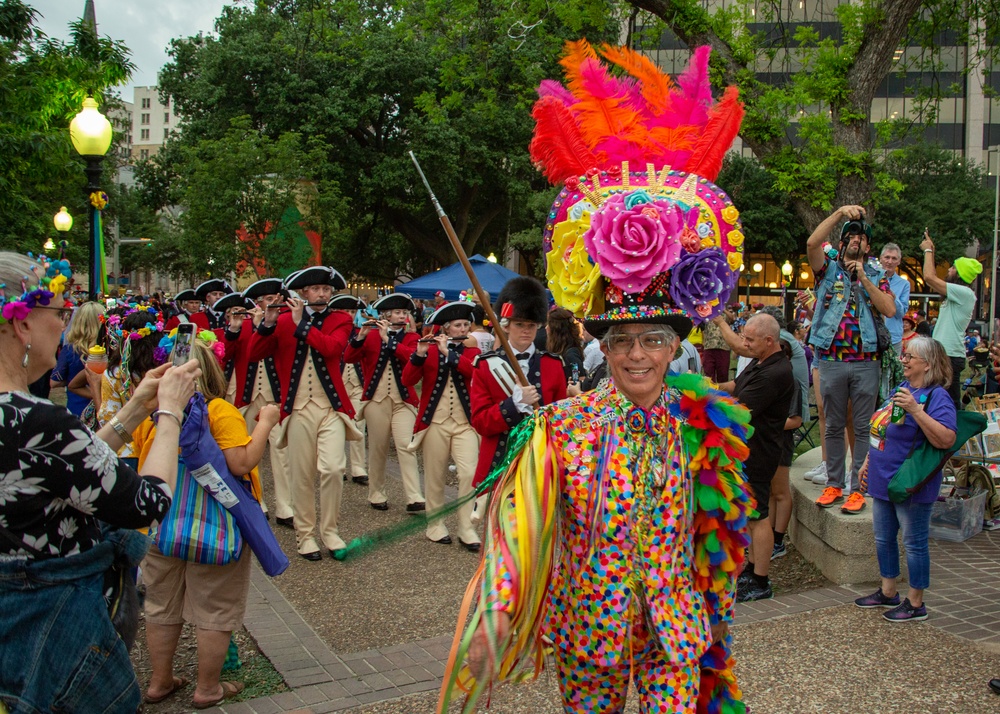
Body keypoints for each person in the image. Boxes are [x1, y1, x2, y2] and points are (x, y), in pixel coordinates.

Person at [441, 42, 751, 713]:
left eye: (654, 341)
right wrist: (494, 615)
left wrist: (714, 605)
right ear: (601, 347)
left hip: (676, 630)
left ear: (676, 348)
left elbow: (720, 532)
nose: (638, 355)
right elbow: (515, 529)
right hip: (590, 632)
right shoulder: (561, 427)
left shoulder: (705, 423)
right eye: (624, 342)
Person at [0, 250, 200, 713]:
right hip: (54, 632)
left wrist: (136, 409)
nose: (66, 327)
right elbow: (147, 503)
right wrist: (169, 412)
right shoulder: (40, 422)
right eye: (60, 312)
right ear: (23, 326)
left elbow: (61, 468)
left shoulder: (32, 427)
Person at [137, 338, 279, 709]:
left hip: (161, 525)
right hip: (216, 530)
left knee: (160, 604)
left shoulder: (152, 411)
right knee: (214, 607)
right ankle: (207, 688)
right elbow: (241, 462)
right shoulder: (219, 411)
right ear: (213, 370)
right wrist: (265, 423)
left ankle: (159, 680)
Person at [248, 267, 359, 561]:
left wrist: (303, 325)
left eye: (326, 289)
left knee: (334, 468)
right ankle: (305, 535)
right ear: (303, 293)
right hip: (296, 408)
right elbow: (255, 354)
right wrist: (268, 323)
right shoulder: (282, 320)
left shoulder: (341, 320)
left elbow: (333, 349)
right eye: (316, 289)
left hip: (331, 408)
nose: (322, 293)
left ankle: (331, 531)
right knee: (301, 475)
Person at [854, 336, 956, 622]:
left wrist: (915, 410)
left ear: (928, 364)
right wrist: (866, 462)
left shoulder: (937, 397)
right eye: (904, 356)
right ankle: (888, 591)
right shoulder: (903, 389)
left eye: (909, 357)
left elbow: (946, 438)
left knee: (914, 542)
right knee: (883, 537)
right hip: (884, 477)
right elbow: (886, 429)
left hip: (910, 483)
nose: (904, 361)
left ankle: (915, 602)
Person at [806, 206, 896, 513]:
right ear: (842, 242)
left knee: (861, 426)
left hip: (865, 362)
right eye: (851, 236)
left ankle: (858, 489)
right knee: (832, 425)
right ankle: (834, 484)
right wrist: (839, 214)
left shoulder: (877, 275)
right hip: (831, 359)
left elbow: (889, 309)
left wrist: (865, 282)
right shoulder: (828, 270)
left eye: (861, 237)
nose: (856, 240)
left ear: (869, 247)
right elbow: (811, 243)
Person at [717, 314, 794, 601]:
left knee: (758, 516)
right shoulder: (760, 362)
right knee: (750, 515)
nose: (744, 344)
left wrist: (704, 406)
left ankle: (761, 580)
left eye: (750, 339)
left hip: (759, 453)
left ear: (769, 341)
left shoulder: (776, 372)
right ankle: (751, 568)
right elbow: (736, 386)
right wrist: (708, 386)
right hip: (747, 451)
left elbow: (740, 411)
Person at [469, 277, 567, 488]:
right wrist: (512, 406)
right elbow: (479, 422)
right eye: (519, 324)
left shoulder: (553, 365)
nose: (525, 330)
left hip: (540, 464)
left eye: (531, 325)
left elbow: (562, 420)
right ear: (506, 325)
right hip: (499, 463)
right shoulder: (486, 366)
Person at [401, 301, 481, 550]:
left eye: (466, 324)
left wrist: (450, 354)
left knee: (469, 472)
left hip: (464, 423)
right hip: (434, 422)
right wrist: (420, 353)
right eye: (458, 325)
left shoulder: (472, 353)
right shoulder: (431, 350)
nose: (463, 329)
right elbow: (408, 379)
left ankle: (466, 528)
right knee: (434, 476)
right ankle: (435, 525)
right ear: (445, 328)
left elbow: (473, 373)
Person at [221, 279, 294, 526]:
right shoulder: (241, 325)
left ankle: (286, 505)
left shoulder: (283, 323)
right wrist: (233, 328)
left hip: (274, 398)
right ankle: (257, 499)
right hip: (246, 396)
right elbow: (225, 357)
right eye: (268, 300)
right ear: (258, 302)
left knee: (281, 453)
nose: (273, 303)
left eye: (276, 299)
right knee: (250, 452)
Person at [345, 293, 425, 513]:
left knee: (406, 446)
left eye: (405, 313)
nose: (403, 316)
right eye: (398, 312)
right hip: (376, 399)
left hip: (403, 401)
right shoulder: (370, 335)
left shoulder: (411, 338)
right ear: (386, 315)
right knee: (378, 448)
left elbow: (411, 357)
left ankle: (414, 496)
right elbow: (349, 357)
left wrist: (389, 341)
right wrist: (360, 336)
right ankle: (376, 492)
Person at [920, 232, 980, 407]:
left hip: (950, 355)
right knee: (937, 401)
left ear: (960, 274)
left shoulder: (965, 293)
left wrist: (928, 252)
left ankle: (952, 433)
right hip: (944, 354)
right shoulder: (957, 295)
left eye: (953, 268)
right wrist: (931, 249)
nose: (949, 270)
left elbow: (929, 278)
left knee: (947, 404)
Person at [329, 294, 369, 487]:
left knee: (358, 425)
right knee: (334, 428)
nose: (350, 315)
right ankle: (339, 464)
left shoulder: (359, 332)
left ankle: (358, 467)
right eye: (346, 311)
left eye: (353, 311)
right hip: (336, 385)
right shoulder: (329, 332)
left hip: (357, 384)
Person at [770, 338, 803, 560]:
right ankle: (770, 536)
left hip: (781, 443)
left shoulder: (792, 382)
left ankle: (779, 540)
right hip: (767, 442)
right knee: (770, 493)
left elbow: (796, 420)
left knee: (781, 492)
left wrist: (766, 424)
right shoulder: (768, 379)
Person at [50, 300, 105, 417]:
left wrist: (71, 378)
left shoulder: (70, 350)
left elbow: (54, 382)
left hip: (78, 411)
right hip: (105, 409)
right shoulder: (109, 350)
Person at [879, 242, 910, 354]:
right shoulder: (869, 279)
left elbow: (901, 313)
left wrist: (893, 297)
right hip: (872, 335)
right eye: (887, 257)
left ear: (899, 261)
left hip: (893, 337)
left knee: (891, 371)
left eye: (894, 258)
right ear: (881, 258)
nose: (890, 261)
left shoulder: (904, 284)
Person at [546, 307, 585, 380]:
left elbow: (579, 379)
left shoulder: (570, 355)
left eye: (548, 325)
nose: (546, 328)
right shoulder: (563, 352)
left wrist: (574, 383)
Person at [700, 308, 732, 383]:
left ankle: (722, 393)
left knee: (723, 374)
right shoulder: (707, 313)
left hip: (723, 348)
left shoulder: (724, 314)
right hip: (709, 347)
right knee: (708, 374)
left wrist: (723, 309)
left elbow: (733, 318)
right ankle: (709, 393)